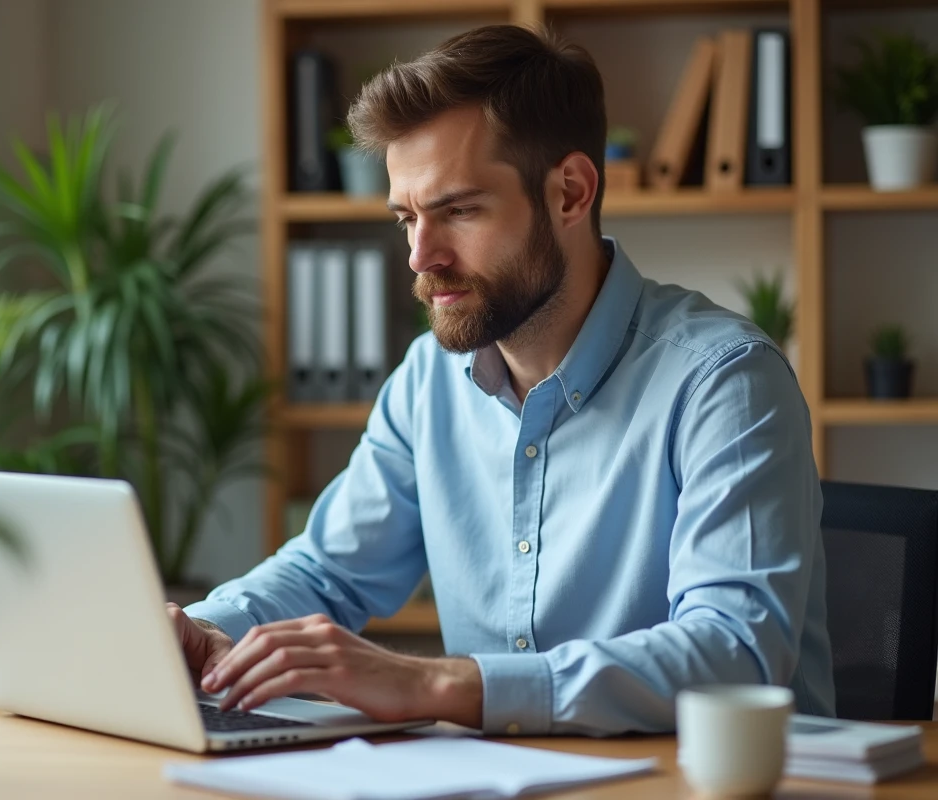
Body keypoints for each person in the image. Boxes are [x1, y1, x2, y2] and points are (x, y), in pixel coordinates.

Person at [166, 23, 835, 736]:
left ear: (571, 192)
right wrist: (200, 630)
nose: (422, 257)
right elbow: (326, 573)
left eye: (458, 210)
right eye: (407, 218)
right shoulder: (431, 378)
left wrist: (434, 682)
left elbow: (735, 654)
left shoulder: (724, 383)